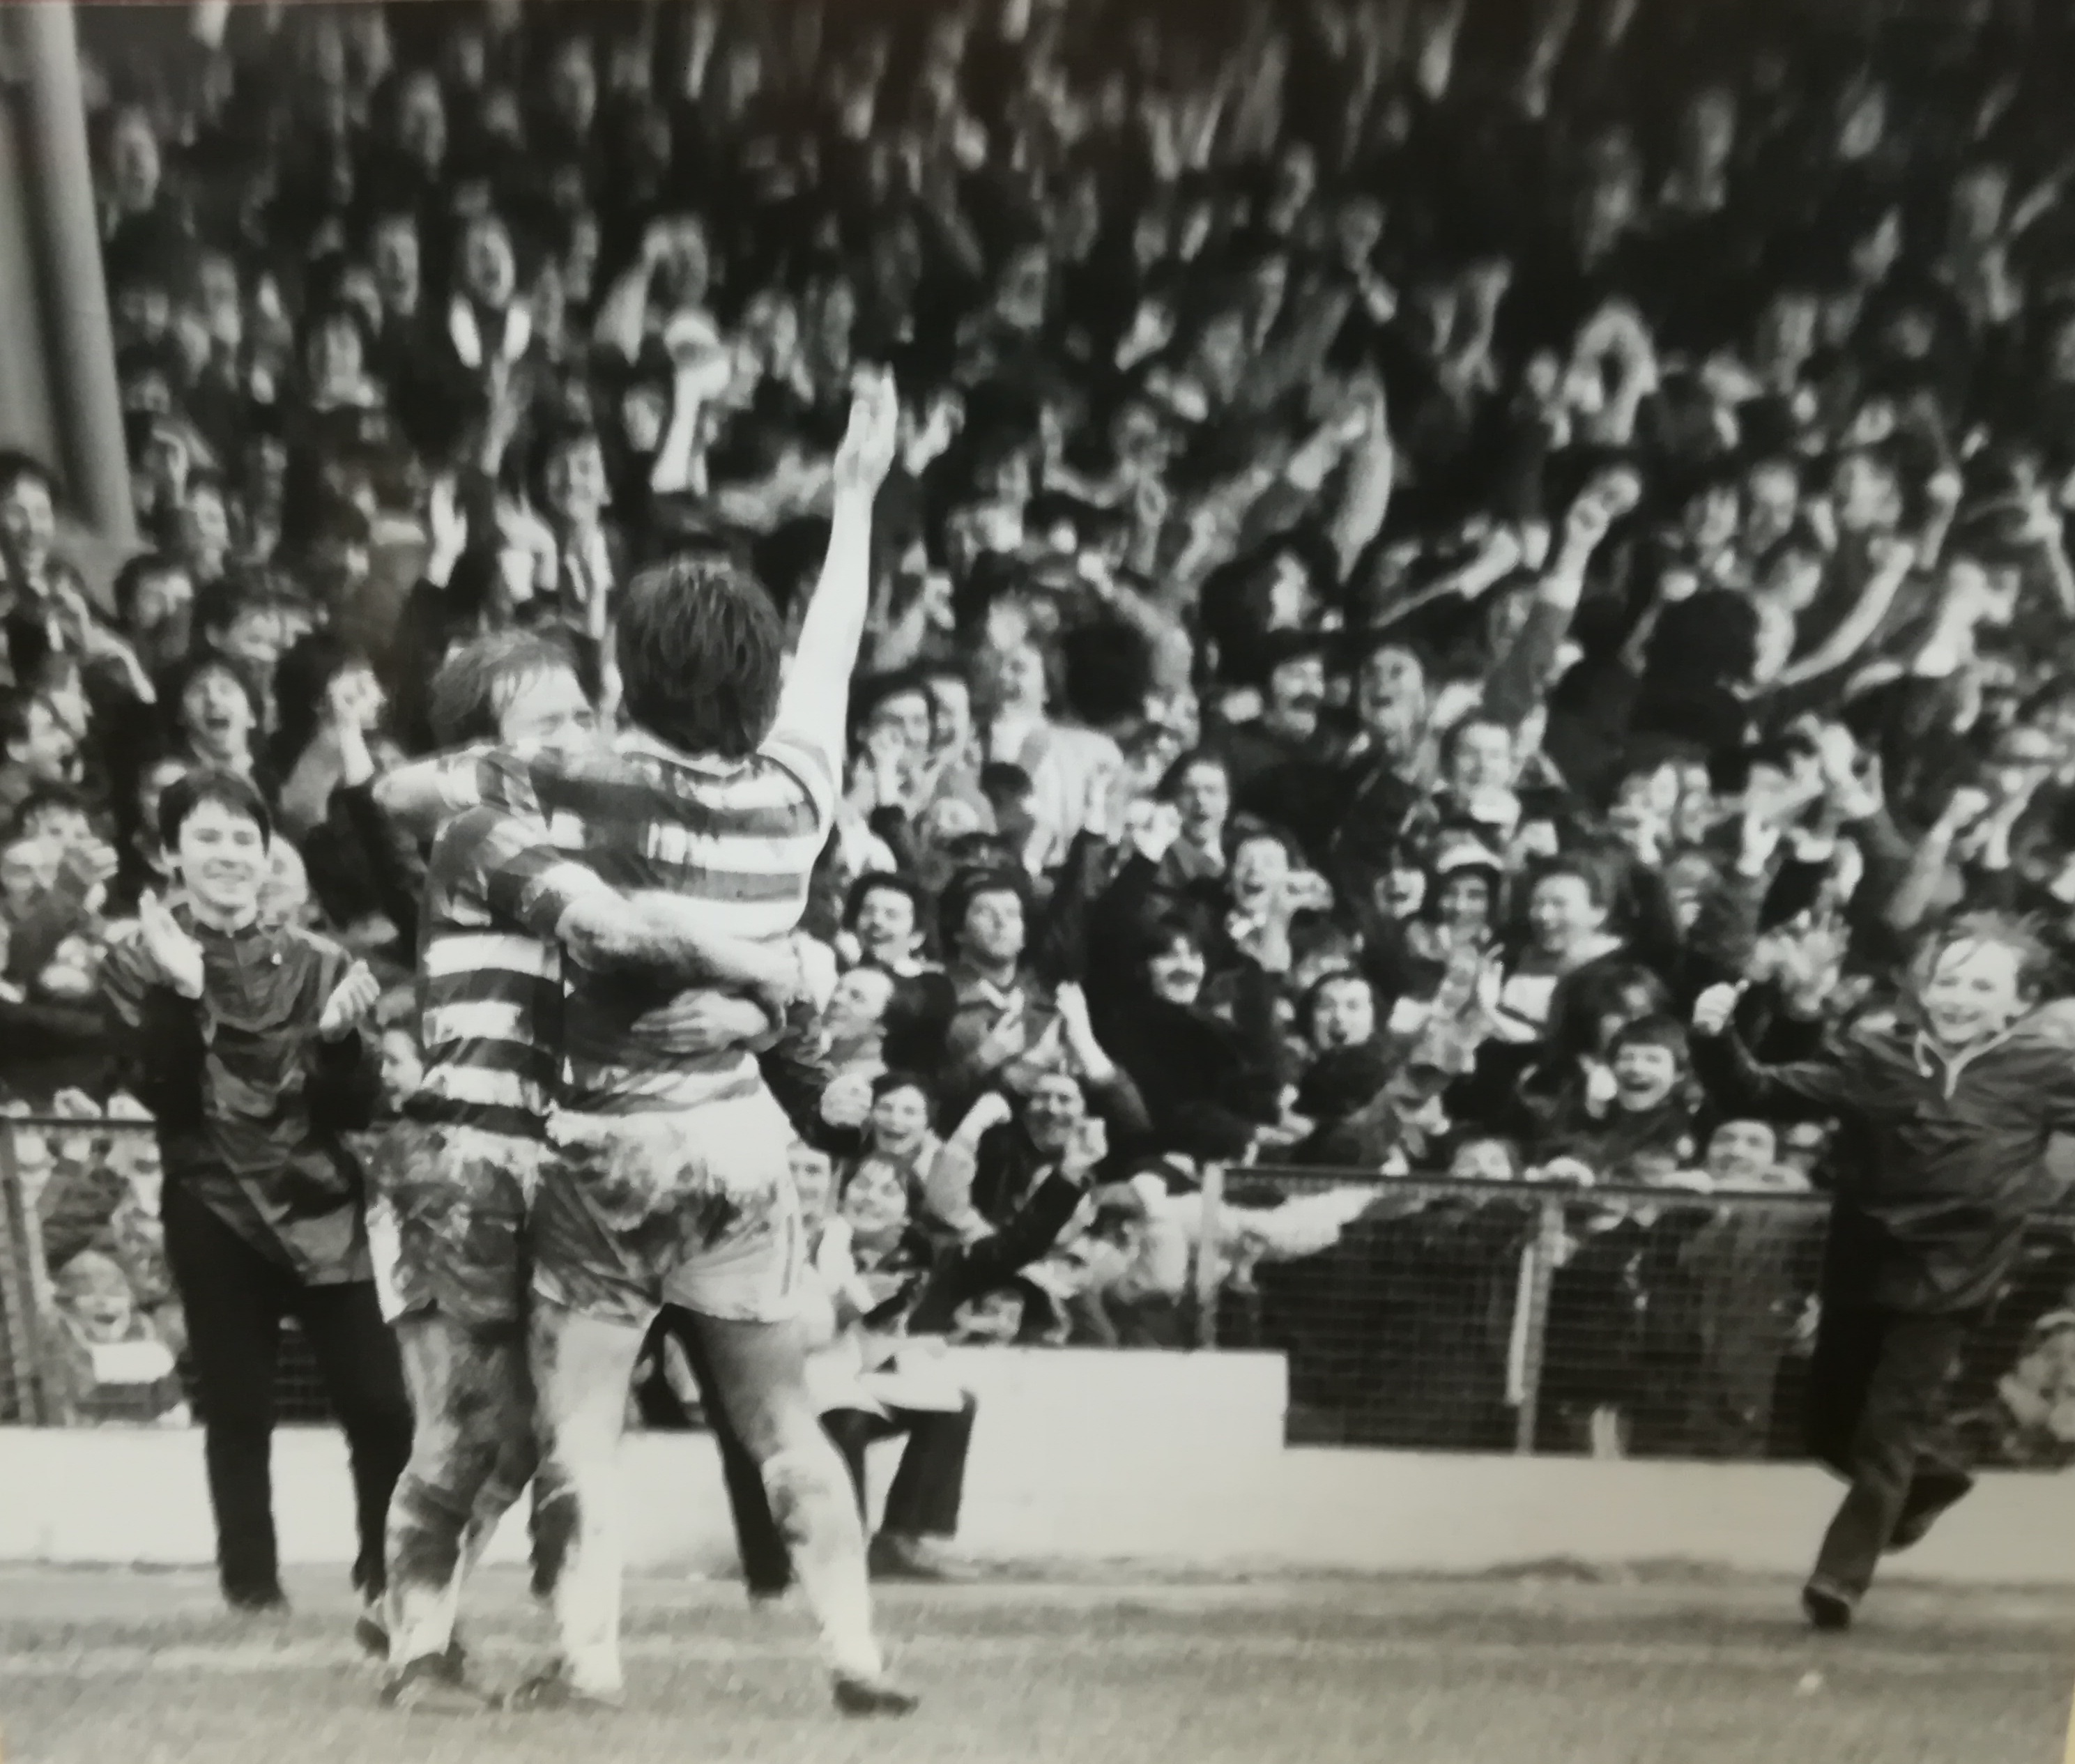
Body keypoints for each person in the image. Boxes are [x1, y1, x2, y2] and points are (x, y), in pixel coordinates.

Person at [374, 367, 908, 1713]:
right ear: (761, 677)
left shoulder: (582, 776)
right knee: (786, 1415)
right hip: (742, 1135)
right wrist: (851, 503)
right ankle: (853, 1649)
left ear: (626, 674)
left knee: (582, 1422)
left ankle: (588, 1663)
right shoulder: (800, 790)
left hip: (608, 1142)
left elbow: (404, 788)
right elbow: (833, 650)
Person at [371, 628, 811, 1710]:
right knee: (469, 1422)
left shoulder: (605, 828)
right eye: (547, 721)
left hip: (568, 1155)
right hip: (466, 1159)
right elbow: (617, 936)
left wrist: (759, 1001)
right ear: (490, 750)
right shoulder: (484, 832)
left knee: (542, 1433)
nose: (580, 735)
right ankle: (418, 1651)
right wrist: (780, 967)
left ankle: (491, 1630)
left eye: (584, 710)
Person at [1690, 914, 2075, 1631]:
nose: (1959, 995)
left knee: (1886, 1427)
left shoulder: (2046, 1071)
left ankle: (1838, 1579)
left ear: (2016, 1003)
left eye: (1981, 984)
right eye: (1948, 979)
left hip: (1954, 1279)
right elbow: (1756, 1093)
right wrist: (1714, 1036)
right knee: (1825, 1426)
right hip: (1860, 1268)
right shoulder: (1873, 1057)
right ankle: (1933, 1481)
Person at [98, 767, 403, 1638]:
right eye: (206, 836)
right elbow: (168, 1097)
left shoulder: (324, 960)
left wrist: (344, 1044)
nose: (229, 854)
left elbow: (354, 1111)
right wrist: (181, 991)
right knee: (238, 1409)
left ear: (268, 851)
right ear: (168, 855)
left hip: (324, 1203)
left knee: (381, 1405)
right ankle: (252, 1589)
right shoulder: (132, 960)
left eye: (243, 837)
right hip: (212, 1203)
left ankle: (386, 1577)